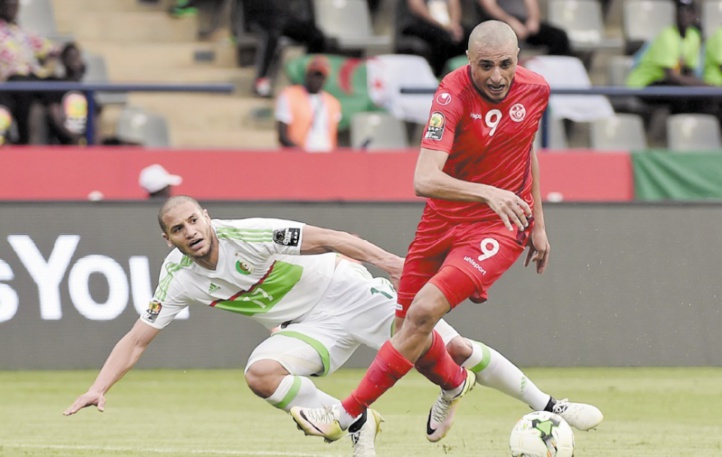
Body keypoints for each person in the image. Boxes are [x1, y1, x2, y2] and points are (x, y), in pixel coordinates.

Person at [64, 196, 602, 457]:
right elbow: (137, 338)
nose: (190, 233)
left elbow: (334, 237)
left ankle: (548, 406)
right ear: (170, 241)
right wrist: (98, 387)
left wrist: (395, 266)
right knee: (261, 373)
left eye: (194, 221)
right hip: (309, 325)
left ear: (206, 217)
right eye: (178, 230)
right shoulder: (177, 277)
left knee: (454, 352)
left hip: (350, 291)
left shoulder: (251, 233)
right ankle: (356, 422)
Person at [290, 20, 603, 444]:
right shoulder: (450, 96)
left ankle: (343, 416)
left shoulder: (536, 89)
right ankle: (455, 383)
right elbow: (423, 179)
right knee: (405, 333)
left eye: (506, 65)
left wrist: (539, 225)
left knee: (422, 315)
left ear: (518, 61)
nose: (497, 76)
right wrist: (489, 192)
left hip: (498, 225)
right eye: (486, 66)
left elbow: (526, 148)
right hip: (442, 220)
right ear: (469, 61)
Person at [625, 0, 710, 117]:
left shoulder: (693, 37)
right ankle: (677, 130)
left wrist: (707, 88)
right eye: (680, 10)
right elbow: (672, 77)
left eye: (688, 10)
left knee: (702, 99)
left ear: (695, 15)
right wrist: (707, 86)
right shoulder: (667, 35)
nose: (684, 14)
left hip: (667, 84)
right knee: (681, 96)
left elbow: (689, 73)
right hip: (644, 85)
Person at [244, 0, 333, 98]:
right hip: (261, 17)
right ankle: (261, 80)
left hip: (283, 18)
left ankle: (311, 80)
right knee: (272, 34)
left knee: (316, 36)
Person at [0, 0, 59, 144]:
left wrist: (58, 57)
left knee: (61, 85)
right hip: (11, 80)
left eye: (15, 4)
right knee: (23, 87)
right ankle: (24, 140)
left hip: (34, 76)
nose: (11, 7)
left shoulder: (24, 32)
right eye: (7, 4)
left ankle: (69, 138)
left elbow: (52, 49)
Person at [275, 55, 341, 152]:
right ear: (307, 75)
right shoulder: (289, 95)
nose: (316, 80)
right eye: (314, 75)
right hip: (299, 155)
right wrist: (301, 154)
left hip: (326, 155)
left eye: (320, 76)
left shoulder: (333, 102)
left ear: (325, 79)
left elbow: (334, 135)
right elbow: (282, 135)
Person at [395, 0, 473, 76]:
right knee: (443, 37)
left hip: (446, 25)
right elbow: (416, 7)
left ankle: (462, 76)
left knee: (470, 34)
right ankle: (439, 75)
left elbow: (454, 4)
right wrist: (443, 26)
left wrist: (455, 25)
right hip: (419, 23)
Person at [42, 42, 98, 146]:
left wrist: (94, 144)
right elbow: (55, 115)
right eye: (70, 57)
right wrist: (74, 138)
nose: (75, 61)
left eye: (77, 56)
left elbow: (94, 121)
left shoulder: (86, 91)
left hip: (84, 141)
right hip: (63, 142)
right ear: (63, 61)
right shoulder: (56, 86)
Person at [475, 0, 572, 56]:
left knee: (559, 37)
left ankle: (554, 74)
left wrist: (533, 19)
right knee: (509, 39)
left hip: (523, 22)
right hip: (496, 23)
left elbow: (532, 4)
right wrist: (511, 22)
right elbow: (490, 7)